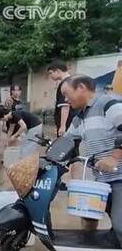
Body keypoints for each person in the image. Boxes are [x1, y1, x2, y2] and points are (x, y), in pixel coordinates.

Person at [61, 74, 122, 245]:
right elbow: (67, 141)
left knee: (121, 227)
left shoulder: (108, 104)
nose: (65, 100)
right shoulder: (80, 117)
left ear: (81, 87)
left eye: (67, 94)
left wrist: (115, 156)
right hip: (102, 180)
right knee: (90, 215)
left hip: (120, 177)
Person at [48, 64, 78, 137]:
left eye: (50, 73)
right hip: (74, 121)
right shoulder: (73, 81)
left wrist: (62, 126)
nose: (50, 76)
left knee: (64, 145)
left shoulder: (65, 84)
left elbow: (65, 105)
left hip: (68, 122)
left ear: (57, 71)